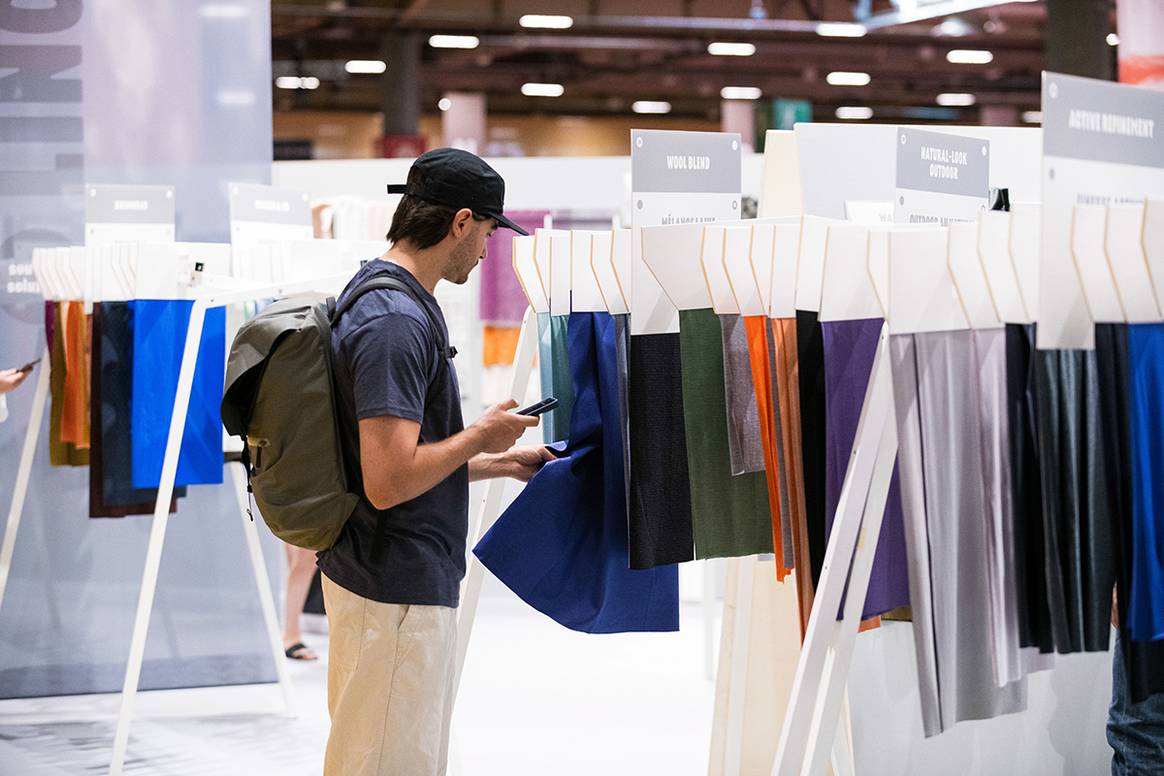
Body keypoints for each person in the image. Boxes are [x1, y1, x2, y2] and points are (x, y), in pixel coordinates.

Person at [317, 148, 552, 776]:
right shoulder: (395, 320)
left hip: (380, 577)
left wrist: (501, 461)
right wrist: (479, 435)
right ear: (461, 221)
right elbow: (391, 481)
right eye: (488, 234)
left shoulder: (378, 295)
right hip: (393, 585)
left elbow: (391, 463)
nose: (487, 250)